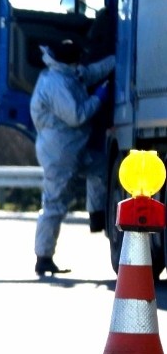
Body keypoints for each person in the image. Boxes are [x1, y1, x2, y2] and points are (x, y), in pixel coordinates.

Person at [30, 39, 115, 276]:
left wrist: (118, 58)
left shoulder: (65, 73)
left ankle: (97, 214)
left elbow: (89, 73)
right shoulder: (57, 83)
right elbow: (77, 115)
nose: (80, 64)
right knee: (54, 203)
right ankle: (43, 257)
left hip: (70, 148)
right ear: (69, 60)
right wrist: (99, 97)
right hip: (59, 152)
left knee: (101, 168)